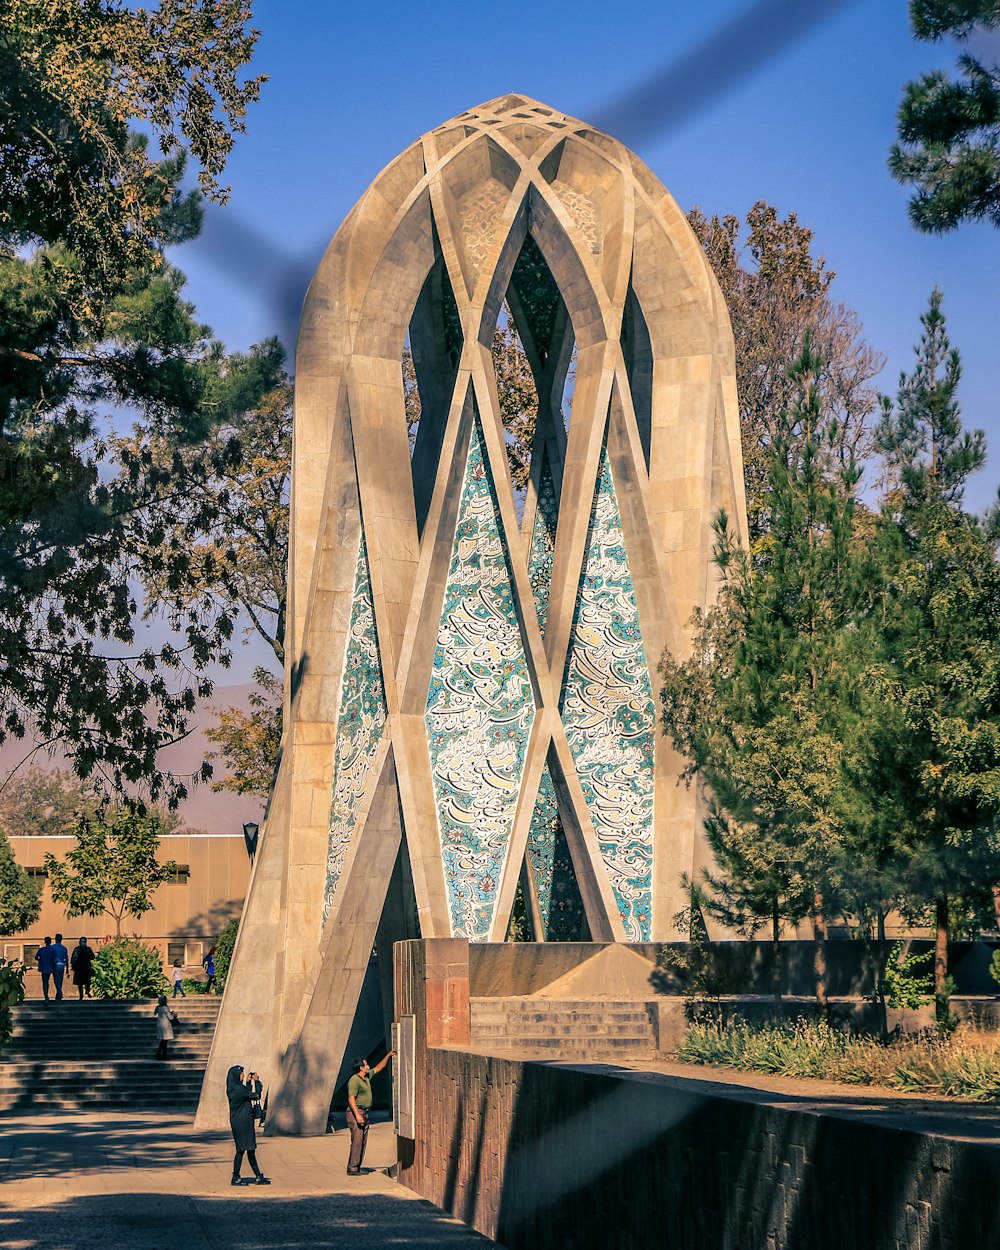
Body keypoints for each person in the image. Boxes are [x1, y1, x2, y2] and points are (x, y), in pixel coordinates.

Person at [345, 1049, 396, 1176]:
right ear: (361, 1067)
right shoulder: (354, 1080)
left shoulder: (366, 1077)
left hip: (365, 1112)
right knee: (357, 1140)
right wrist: (357, 1115)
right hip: (357, 1112)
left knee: (362, 1140)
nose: (368, 1066)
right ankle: (352, 1168)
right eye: (366, 1065)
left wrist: (388, 1055)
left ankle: (357, 1166)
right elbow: (351, 1098)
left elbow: (379, 1067)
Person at [226, 1065, 270, 1186]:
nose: (243, 1075)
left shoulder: (235, 1088)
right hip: (242, 1124)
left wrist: (249, 1083)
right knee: (241, 1150)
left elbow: (247, 1093)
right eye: (242, 1074)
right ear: (236, 1076)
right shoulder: (238, 1090)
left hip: (243, 1122)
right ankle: (235, 1177)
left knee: (250, 1149)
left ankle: (258, 1176)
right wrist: (257, 1082)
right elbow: (255, 1095)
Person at [153, 994, 178, 1059]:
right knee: (165, 1040)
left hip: (160, 1024)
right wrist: (174, 1015)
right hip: (165, 1025)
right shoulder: (166, 1008)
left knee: (163, 1040)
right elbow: (170, 1017)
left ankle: (159, 1053)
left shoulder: (158, 1007)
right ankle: (163, 1054)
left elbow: (155, 1013)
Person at [35, 937, 56, 1002]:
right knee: (48, 981)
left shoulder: (41, 950)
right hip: (50, 967)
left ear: (45, 942)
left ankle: (46, 994)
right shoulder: (53, 950)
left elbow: (36, 957)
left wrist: (40, 960)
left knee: (44, 982)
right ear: (50, 942)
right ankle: (47, 994)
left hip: (43, 967)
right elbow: (54, 960)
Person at [51, 933, 69, 1001]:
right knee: (60, 980)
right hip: (62, 965)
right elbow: (66, 958)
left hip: (55, 965)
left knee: (56, 980)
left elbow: (51, 957)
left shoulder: (52, 947)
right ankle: (58, 994)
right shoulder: (64, 948)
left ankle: (59, 992)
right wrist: (67, 968)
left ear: (55, 939)